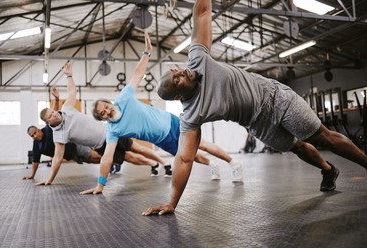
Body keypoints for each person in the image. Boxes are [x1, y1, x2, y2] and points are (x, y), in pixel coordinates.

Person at [142, 0, 367, 216]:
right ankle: (328, 170)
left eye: (176, 71)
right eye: (177, 80)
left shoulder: (198, 58)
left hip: (275, 97)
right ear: (179, 95)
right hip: (258, 124)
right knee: (297, 147)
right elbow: (184, 159)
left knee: (322, 137)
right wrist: (172, 202)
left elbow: (201, 13)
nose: (181, 73)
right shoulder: (191, 115)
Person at [79, 31, 242, 196]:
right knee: (190, 156)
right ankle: (211, 164)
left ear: (108, 102)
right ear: (102, 118)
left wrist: (147, 52)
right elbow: (107, 157)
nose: (107, 110)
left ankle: (233, 163)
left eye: (105, 106)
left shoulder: (124, 98)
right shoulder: (113, 131)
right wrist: (101, 185)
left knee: (202, 144)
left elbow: (137, 74)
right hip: (162, 141)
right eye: (103, 113)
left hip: (171, 123)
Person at [37, 65, 166, 186]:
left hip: (110, 132)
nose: (54, 115)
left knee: (138, 149)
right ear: (47, 123)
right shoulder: (59, 136)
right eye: (50, 116)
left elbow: (72, 91)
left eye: (53, 112)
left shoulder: (66, 109)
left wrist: (69, 76)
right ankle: (153, 164)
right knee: (129, 157)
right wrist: (49, 179)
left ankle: (165, 163)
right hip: (101, 146)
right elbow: (57, 159)